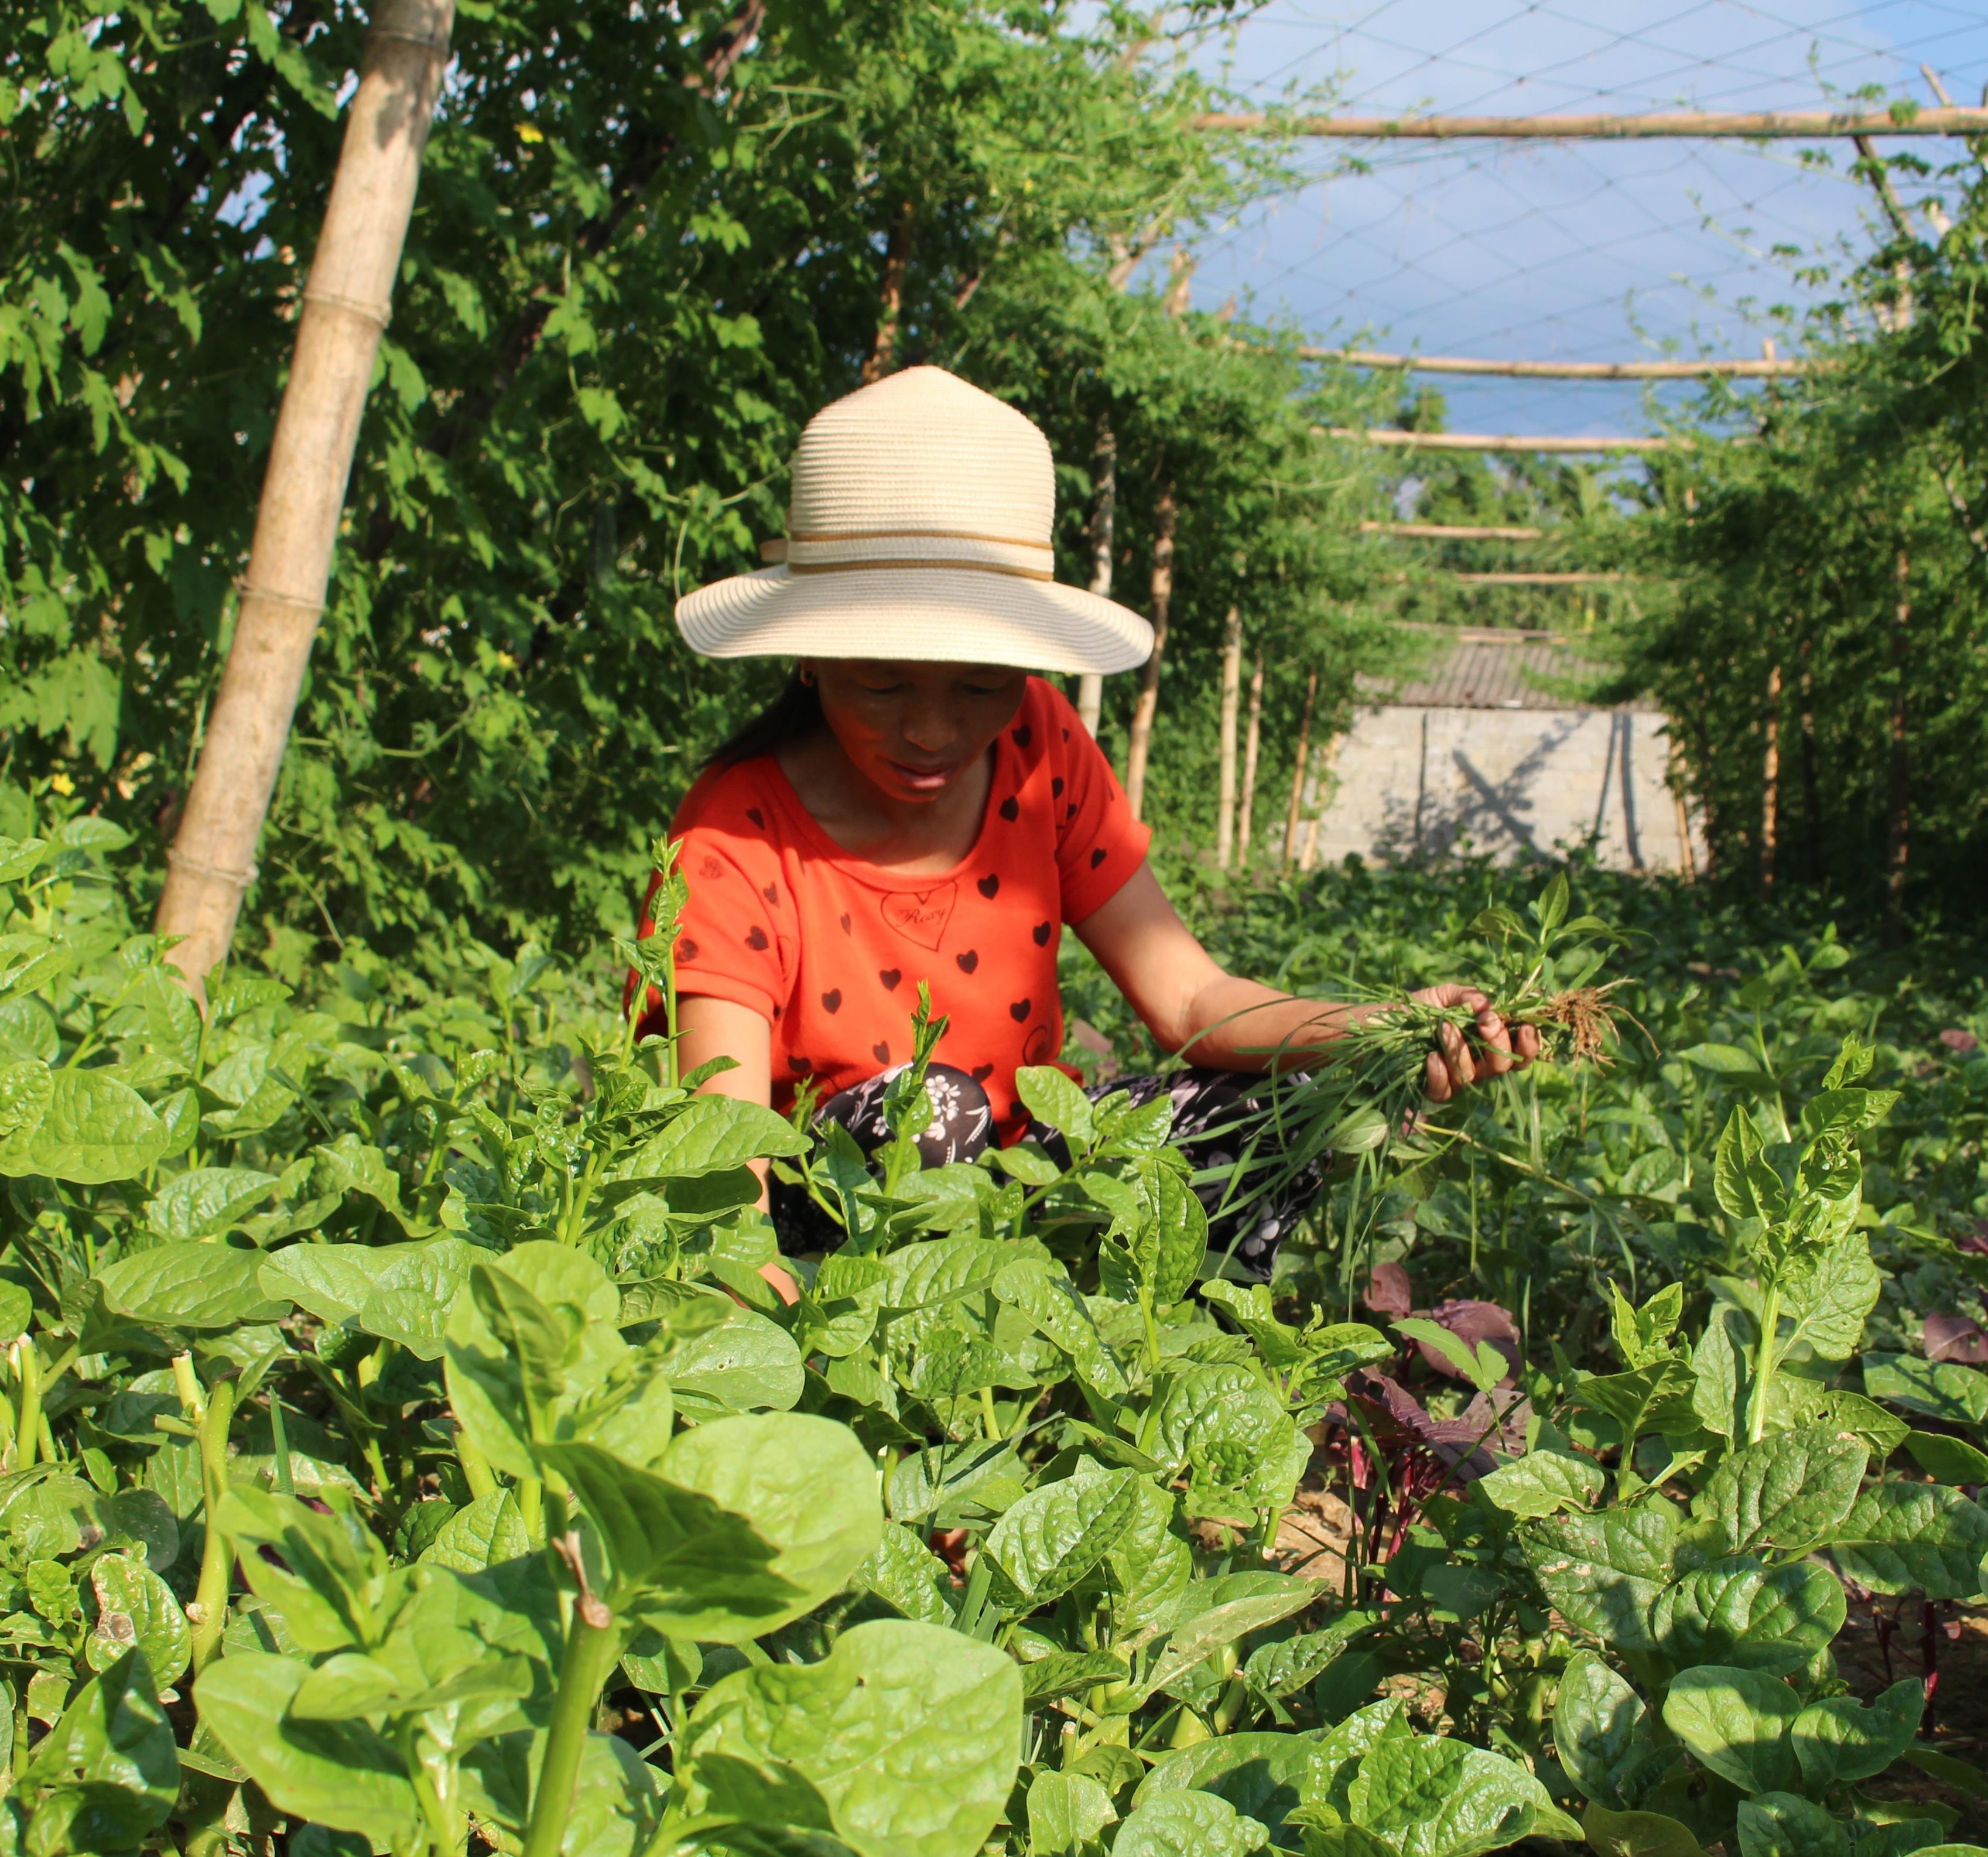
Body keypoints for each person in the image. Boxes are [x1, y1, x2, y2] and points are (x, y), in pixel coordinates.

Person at [651, 365, 1531, 1275]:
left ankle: (1116, 1335)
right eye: (882, 683)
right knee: (934, 1107)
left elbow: (1192, 1001)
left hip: (1022, 1191)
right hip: (832, 1224)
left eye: (983, 684)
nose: (933, 731)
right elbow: (723, 1159)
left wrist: (1381, 1026)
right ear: (812, 657)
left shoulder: (1041, 750)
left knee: (1293, 1098)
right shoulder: (734, 841)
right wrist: (762, 1323)